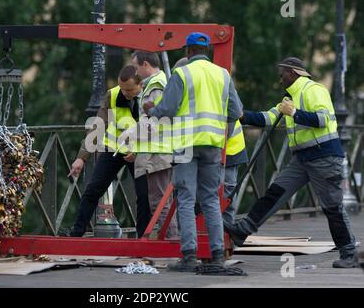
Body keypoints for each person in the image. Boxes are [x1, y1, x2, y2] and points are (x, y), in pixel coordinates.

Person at [224, 57, 359, 268]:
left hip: (324, 157)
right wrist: (241, 116)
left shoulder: (314, 90)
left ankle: (349, 252)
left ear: (293, 73)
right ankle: (242, 230)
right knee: (275, 193)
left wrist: (294, 113)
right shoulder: (290, 97)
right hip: (302, 159)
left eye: (282, 75)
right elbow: (268, 118)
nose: (280, 80)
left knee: (332, 207)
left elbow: (323, 119)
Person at [143, 32, 243, 271]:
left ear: (187, 51)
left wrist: (150, 109)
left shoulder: (182, 73)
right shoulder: (223, 75)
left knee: (186, 199)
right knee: (210, 199)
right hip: (213, 144)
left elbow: (166, 109)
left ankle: (189, 256)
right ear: (206, 50)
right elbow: (236, 112)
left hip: (187, 144)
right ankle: (217, 254)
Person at [68, 65, 151, 238]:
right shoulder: (113, 95)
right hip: (113, 149)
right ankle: (77, 233)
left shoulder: (150, 95)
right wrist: (81, 158)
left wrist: (136, 151)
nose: (125, 93)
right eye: (123, 89)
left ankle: (143, 237)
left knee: (144, 195)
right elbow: (97, 127)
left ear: (140, 84)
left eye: (129, 89)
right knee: (93, 190)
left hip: (139, 152)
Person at [174, 57, 248, 226]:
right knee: (213, 197)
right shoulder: (212, 83)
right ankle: (216, 239)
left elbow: (234, 113)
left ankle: (224, 236)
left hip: (227, 150)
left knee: (223, 198)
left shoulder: (211, 85)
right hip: (212, 148)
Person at [123, 51, 178, 238]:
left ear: (145, 64)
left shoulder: (156, 86)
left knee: (160, 203)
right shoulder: (156, 84)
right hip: (156, 152)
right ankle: (172, 242)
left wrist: (131, 135)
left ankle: (172, 244)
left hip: (158, 153)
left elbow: (156, 122)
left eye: (136, 67)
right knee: (162, 201)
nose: (135, 72)